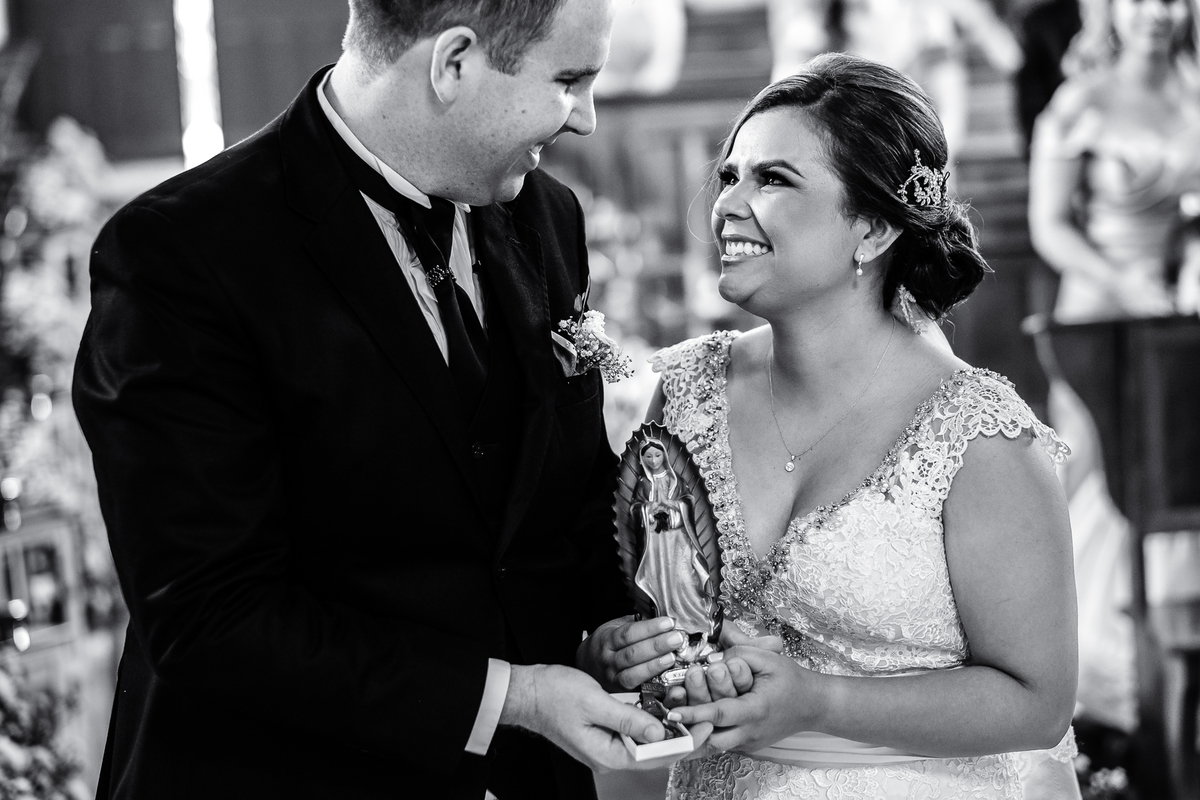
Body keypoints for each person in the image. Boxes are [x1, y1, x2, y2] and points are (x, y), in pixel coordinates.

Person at [71, 2, 705, 799]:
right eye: (569, 81)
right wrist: (511, 698)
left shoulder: (547, 214)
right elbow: (210, 615)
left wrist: (619, 621)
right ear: (454, 62)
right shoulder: (182, 253)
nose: (585, 118)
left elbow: (559, 482)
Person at [644, 53, 1080, 798]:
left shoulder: (978, 437)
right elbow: (655, 607)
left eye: (773, 179)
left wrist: (820, 702)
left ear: (874, 229)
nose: (727, 205)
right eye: (730, 175)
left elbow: (1039, 705)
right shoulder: (685, 392)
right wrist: (624, 647)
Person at [1028, 0, 1200, 737]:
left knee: (1179, 476)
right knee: (1100, 475)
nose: (1158, 12)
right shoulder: (1081, 103)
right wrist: (1125, 282)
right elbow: (1048, 226)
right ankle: (1092, 678)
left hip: (1184, 316)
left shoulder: (1195, 89)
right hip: (1099, 313)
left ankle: (1170, 664)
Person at [632, 439, 716, 661]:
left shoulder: (675, 479)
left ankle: (698, 624)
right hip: (657, 545)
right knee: (663, 583)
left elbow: (687, 502)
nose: (653, 460)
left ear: (664, 456)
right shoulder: (643, 483)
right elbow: (635, 509)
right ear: (642, 459)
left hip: (678, 540)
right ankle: (674, 630)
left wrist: (673, 507)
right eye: (648, 456)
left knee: (685, 580)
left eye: (657, 455)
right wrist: (649, 510)